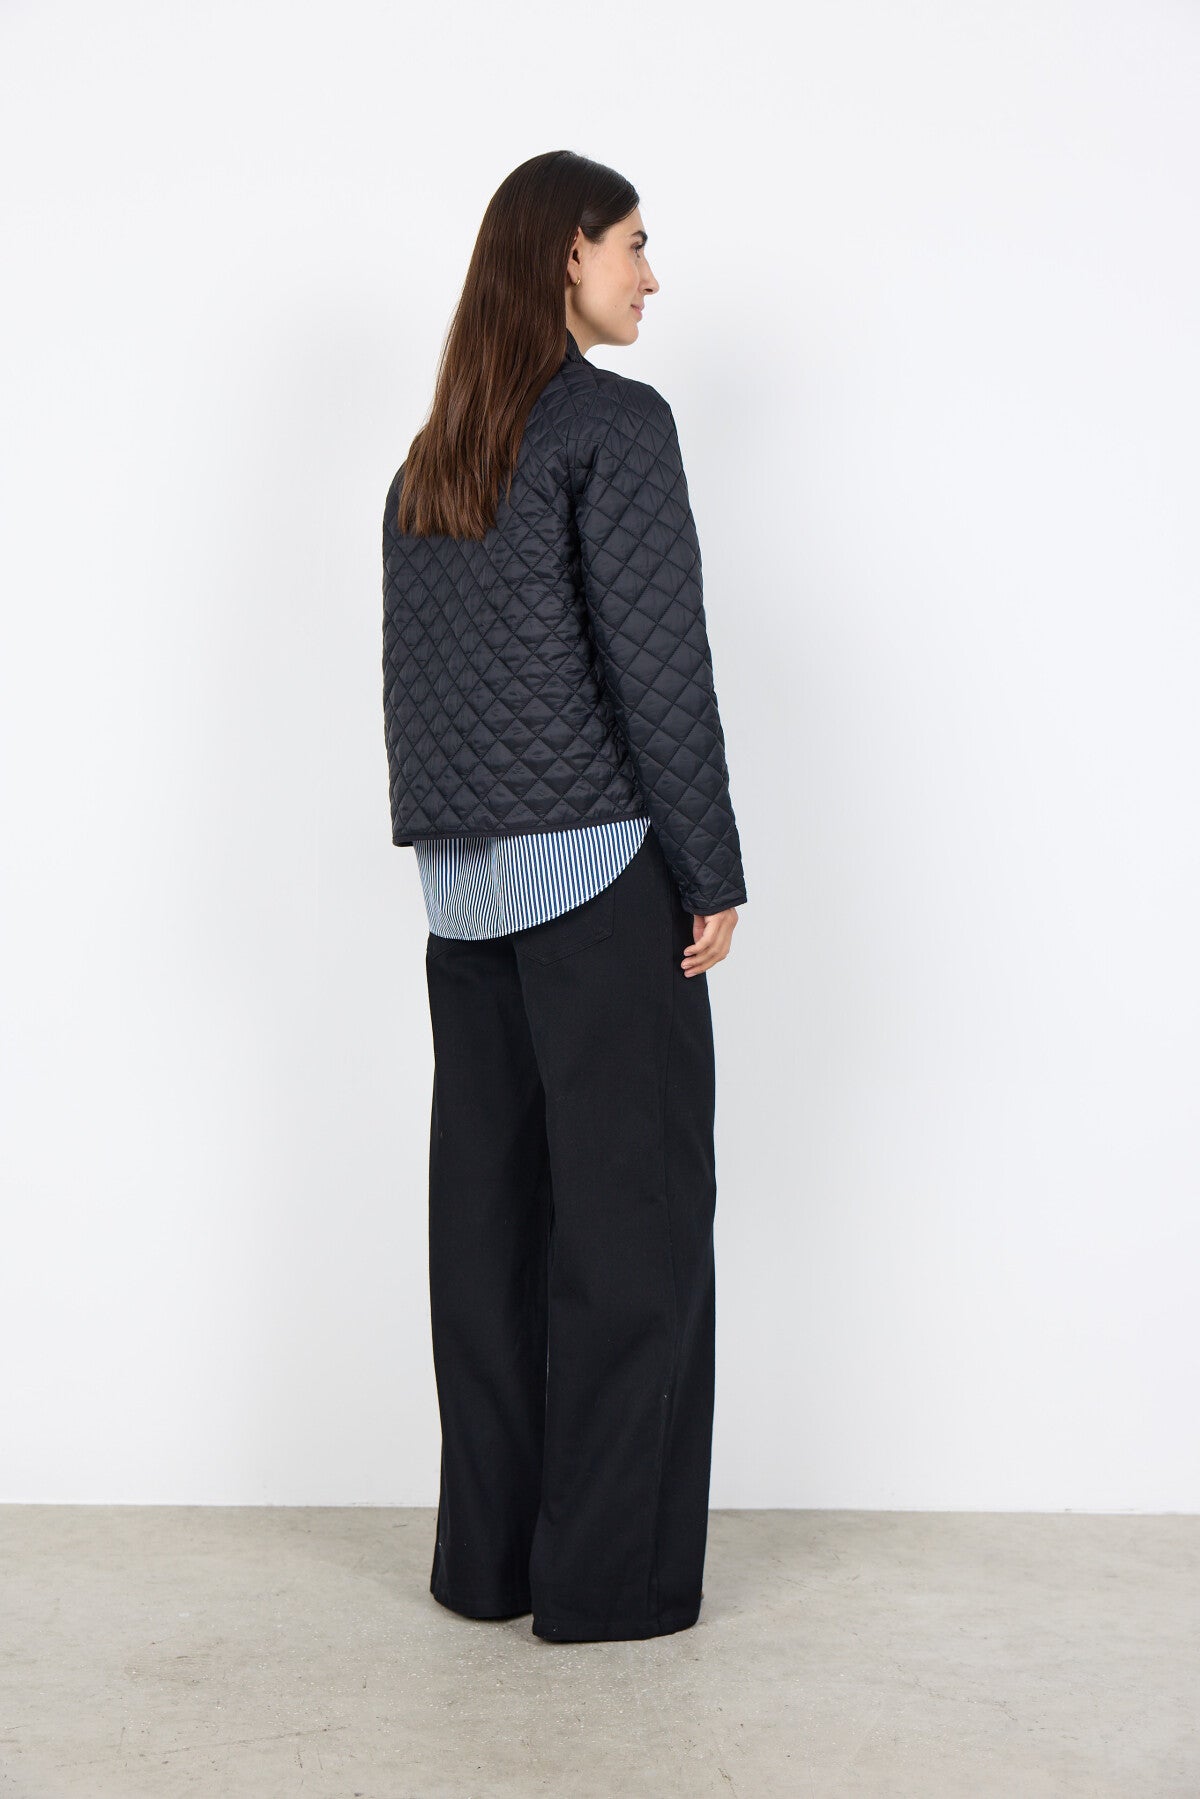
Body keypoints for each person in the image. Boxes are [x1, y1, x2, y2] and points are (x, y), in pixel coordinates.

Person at [381, 149, 748, 1644]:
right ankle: (606, 1584)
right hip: (599, 886)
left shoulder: (433, 456)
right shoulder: (614, 424)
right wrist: (709, 869)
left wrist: (450, 852)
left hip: (465, 898)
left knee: (491, 1227)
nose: (651, 276)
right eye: (633, 245)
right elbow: (660, 669)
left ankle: (490, 1566)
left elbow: (420, 693)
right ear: (566, 255)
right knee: (631, 1226)